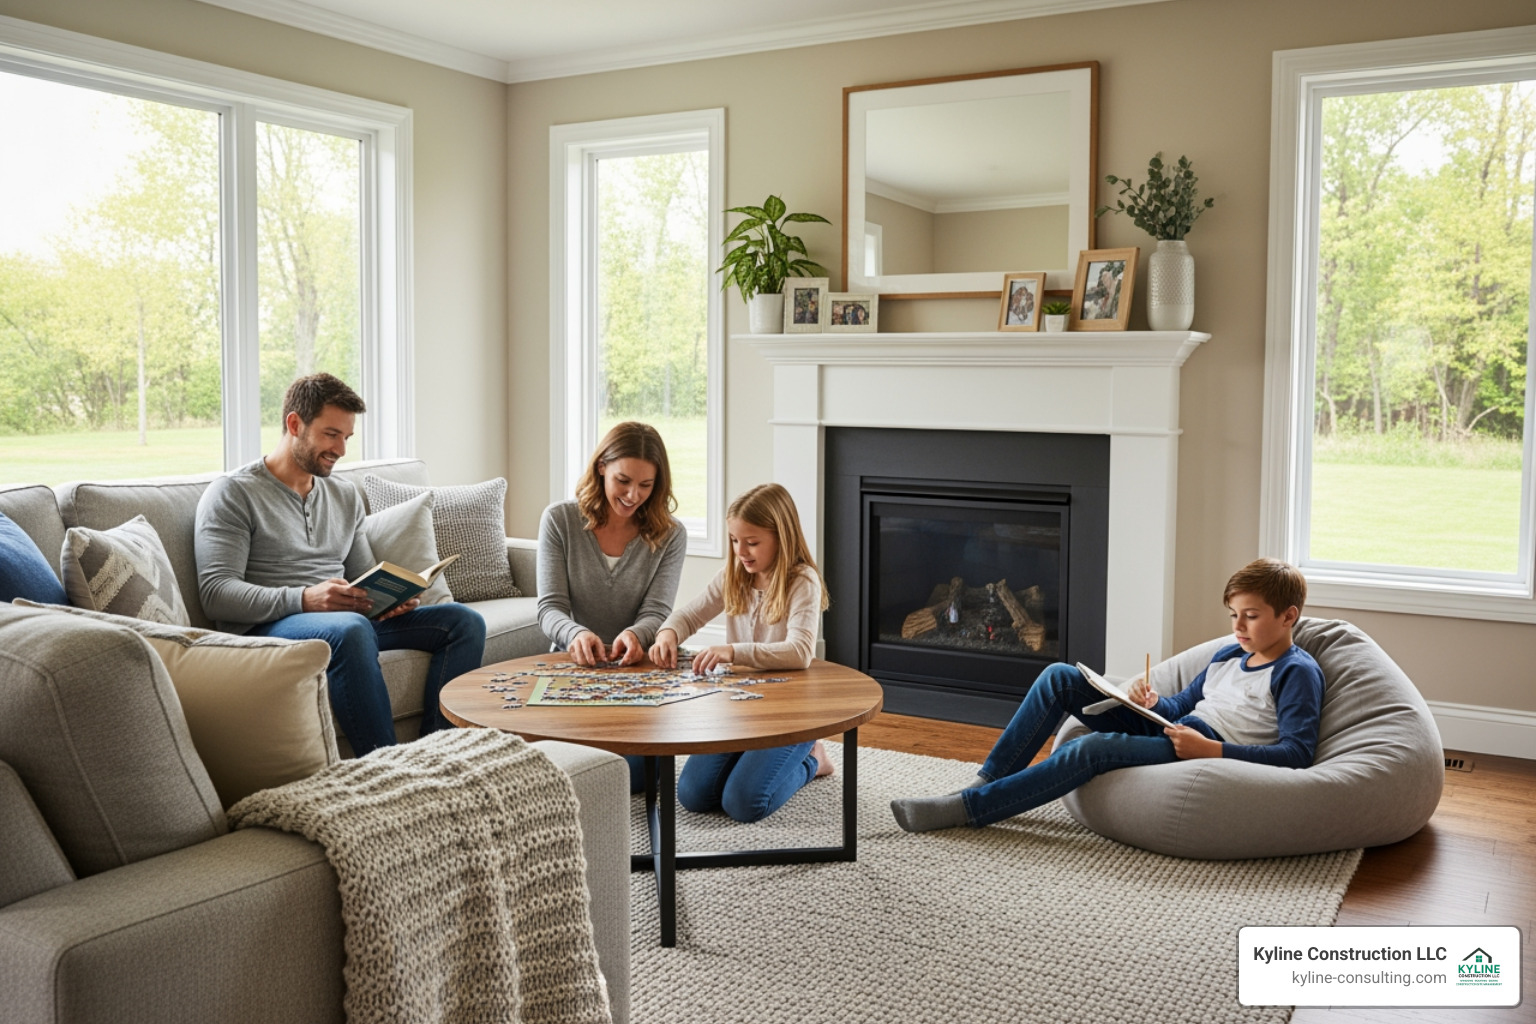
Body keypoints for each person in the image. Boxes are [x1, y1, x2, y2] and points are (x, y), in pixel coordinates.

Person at [890, 558, 1324, 832]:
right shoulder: (1228, 655)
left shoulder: (1296, 673)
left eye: (1250, 616)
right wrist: (1150, 701)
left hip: (1196, 748)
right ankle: (986, 780)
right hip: (1175, 730)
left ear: (1289, 617)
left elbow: (1297, 753)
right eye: (1233, 615)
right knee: (1059, 675)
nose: (1238, 627)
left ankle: (969, 809)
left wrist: (1211, 750)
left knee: (1092, 748)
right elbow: (1180, 707)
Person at [195, 373, 487, 757]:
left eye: (347, 437)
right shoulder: (233, 493)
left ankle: (436, 753)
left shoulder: (343, 494)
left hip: (342, 621)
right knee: (349, 628)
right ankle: (384, 764)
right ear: (295, 424)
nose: (341, 450)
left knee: (463, 622)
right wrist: (304, 598)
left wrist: (385, 602)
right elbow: (216, 594)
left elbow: (361, 575)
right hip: (270, 626)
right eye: (331, 434)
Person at [648, 483, 832, 823]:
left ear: (781, 536)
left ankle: (813, 758)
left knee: (744, 803)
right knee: (693, 794)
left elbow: (800, 652)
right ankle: (751, 758)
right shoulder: (734, 573)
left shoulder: (801, 580)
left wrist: (732, 651)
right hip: (739, 706)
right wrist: (667, 634)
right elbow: (689, 614)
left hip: (788, 714)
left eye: (752, 542)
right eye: (734, 541)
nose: (741, 551)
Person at [537, 421, 688, 789]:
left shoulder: (671, 534)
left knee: (634, 777)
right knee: (563, 771)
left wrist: (637, 635)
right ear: (601, 466)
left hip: (638, 668)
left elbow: (657, 611)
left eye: (646, 485)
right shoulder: (559, 520)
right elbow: (550, 608)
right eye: (623, 480)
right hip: (576, 666)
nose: (633, 494)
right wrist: (576, 633)